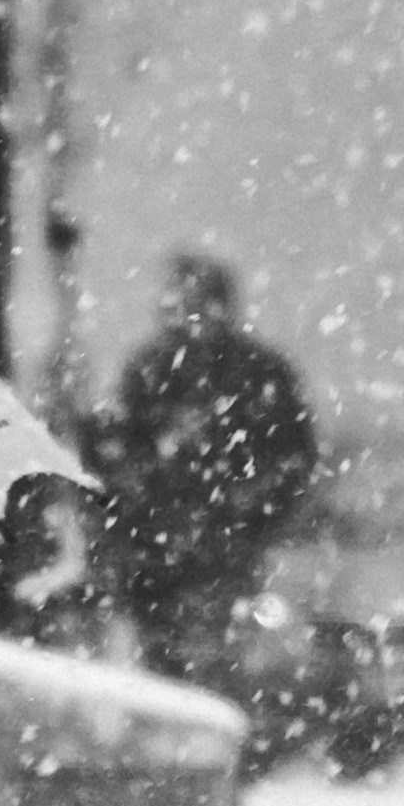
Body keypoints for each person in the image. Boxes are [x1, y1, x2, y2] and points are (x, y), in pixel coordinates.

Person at [93, 248, 319, 660]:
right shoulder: (150, 369)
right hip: (165, 555)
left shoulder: (259, 373)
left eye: (192, 302)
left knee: (212, 660)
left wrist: (247, 513)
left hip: (218, 551)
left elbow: (293, 462)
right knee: (177, 664)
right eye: (178, 301)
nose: (182, 313)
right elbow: (118, 457)